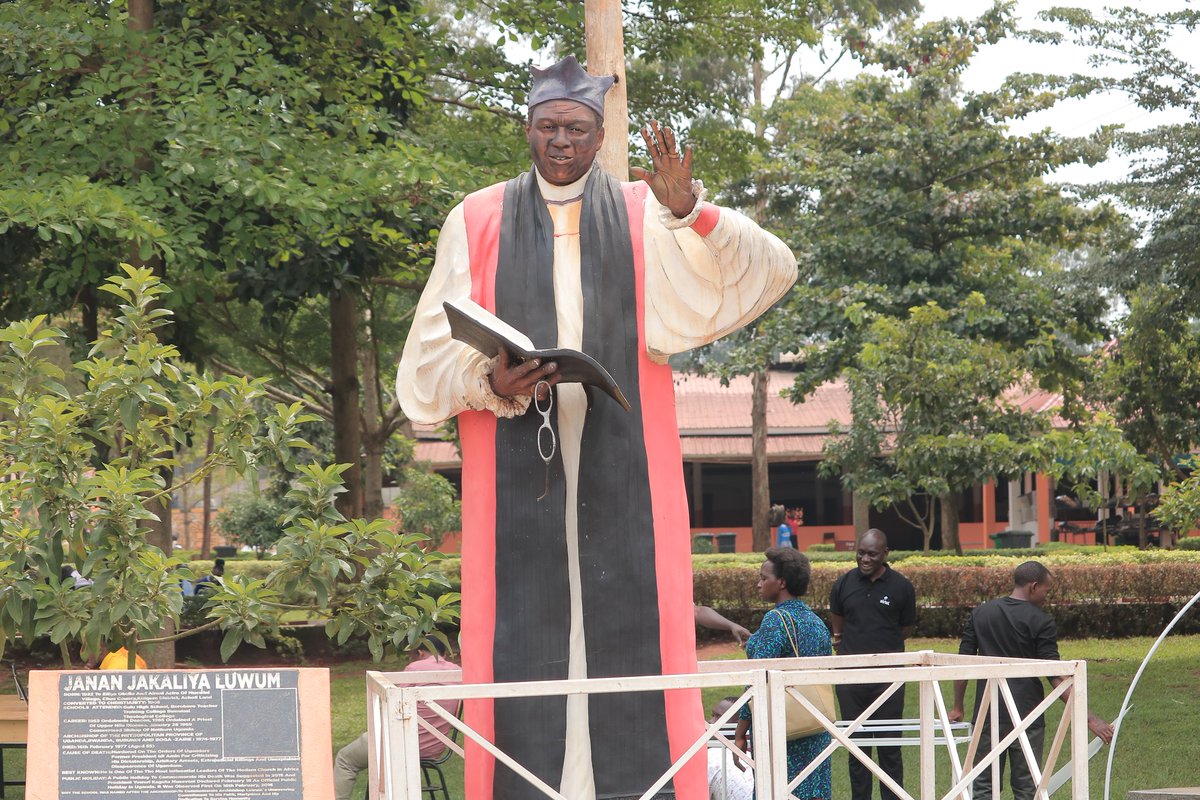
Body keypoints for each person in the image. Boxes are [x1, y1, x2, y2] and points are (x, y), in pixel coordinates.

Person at [396, 54, 796, 800]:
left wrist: (691, 213)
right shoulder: (477, 217)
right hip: (518, 466)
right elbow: (422, 368)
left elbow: (767, 269)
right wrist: (489, 380)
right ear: (527, 129)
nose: (561, 143)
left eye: (576, 129)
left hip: (627, 469)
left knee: (633, 644)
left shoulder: (647, 210)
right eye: (547, 127)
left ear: (599, 133)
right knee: (521, 649)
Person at [949, 561, 1113, 800]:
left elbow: (962, 664)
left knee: (983, 786)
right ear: (1034, 586)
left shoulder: (981, 613)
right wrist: (1090, 719)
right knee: (1027, 788)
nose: (1047, 596)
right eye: (1047, 590)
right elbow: (1057, 677)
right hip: (1029, 714)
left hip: (987, 712)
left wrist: (957, 706)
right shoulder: (1041, 621)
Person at [733, 546, 832, 800]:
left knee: (777, 791)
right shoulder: (817, 622)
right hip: (814, 724)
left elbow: (756, 681)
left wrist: (740, 730)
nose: (758, 584)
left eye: (763, 578)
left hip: (782, 731)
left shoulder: (775, 620)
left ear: (782, 582)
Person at [828, 529, 916, 800]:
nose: (864, 559)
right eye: (860, 553)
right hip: (851, 681)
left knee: (889, 748)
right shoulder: (843, 584)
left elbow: (907, 627)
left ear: (885, 554)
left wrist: (882, 650)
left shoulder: (901, 586)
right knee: (857, 749)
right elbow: (837, 617)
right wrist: (844, 642)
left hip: (887, 681)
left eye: (872, 554)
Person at [334, 645, 462, 800]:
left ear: (420, 652)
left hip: (397, 744)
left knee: (345, 760)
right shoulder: (457, 672)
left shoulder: (415, 668)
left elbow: (393, 703)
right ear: (444, 654)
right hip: (434, 748)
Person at [707, 697, 754, 800]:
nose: (711, 721)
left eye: (719, 717)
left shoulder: (713, 756)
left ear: (739, 724)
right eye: (712, 715)